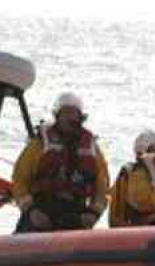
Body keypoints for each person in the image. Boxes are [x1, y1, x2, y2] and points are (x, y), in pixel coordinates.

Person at [11, 92, 110, 233]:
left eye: (72, 113)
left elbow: (102, 187)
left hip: (76, 211)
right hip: (42, 209)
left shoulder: (91, 147)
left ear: (80, 117)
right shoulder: (40, 143)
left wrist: (93, 214)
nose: (69, 117)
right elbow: (20, 179)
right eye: (65, 112)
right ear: (57, 115)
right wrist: (30, 210)